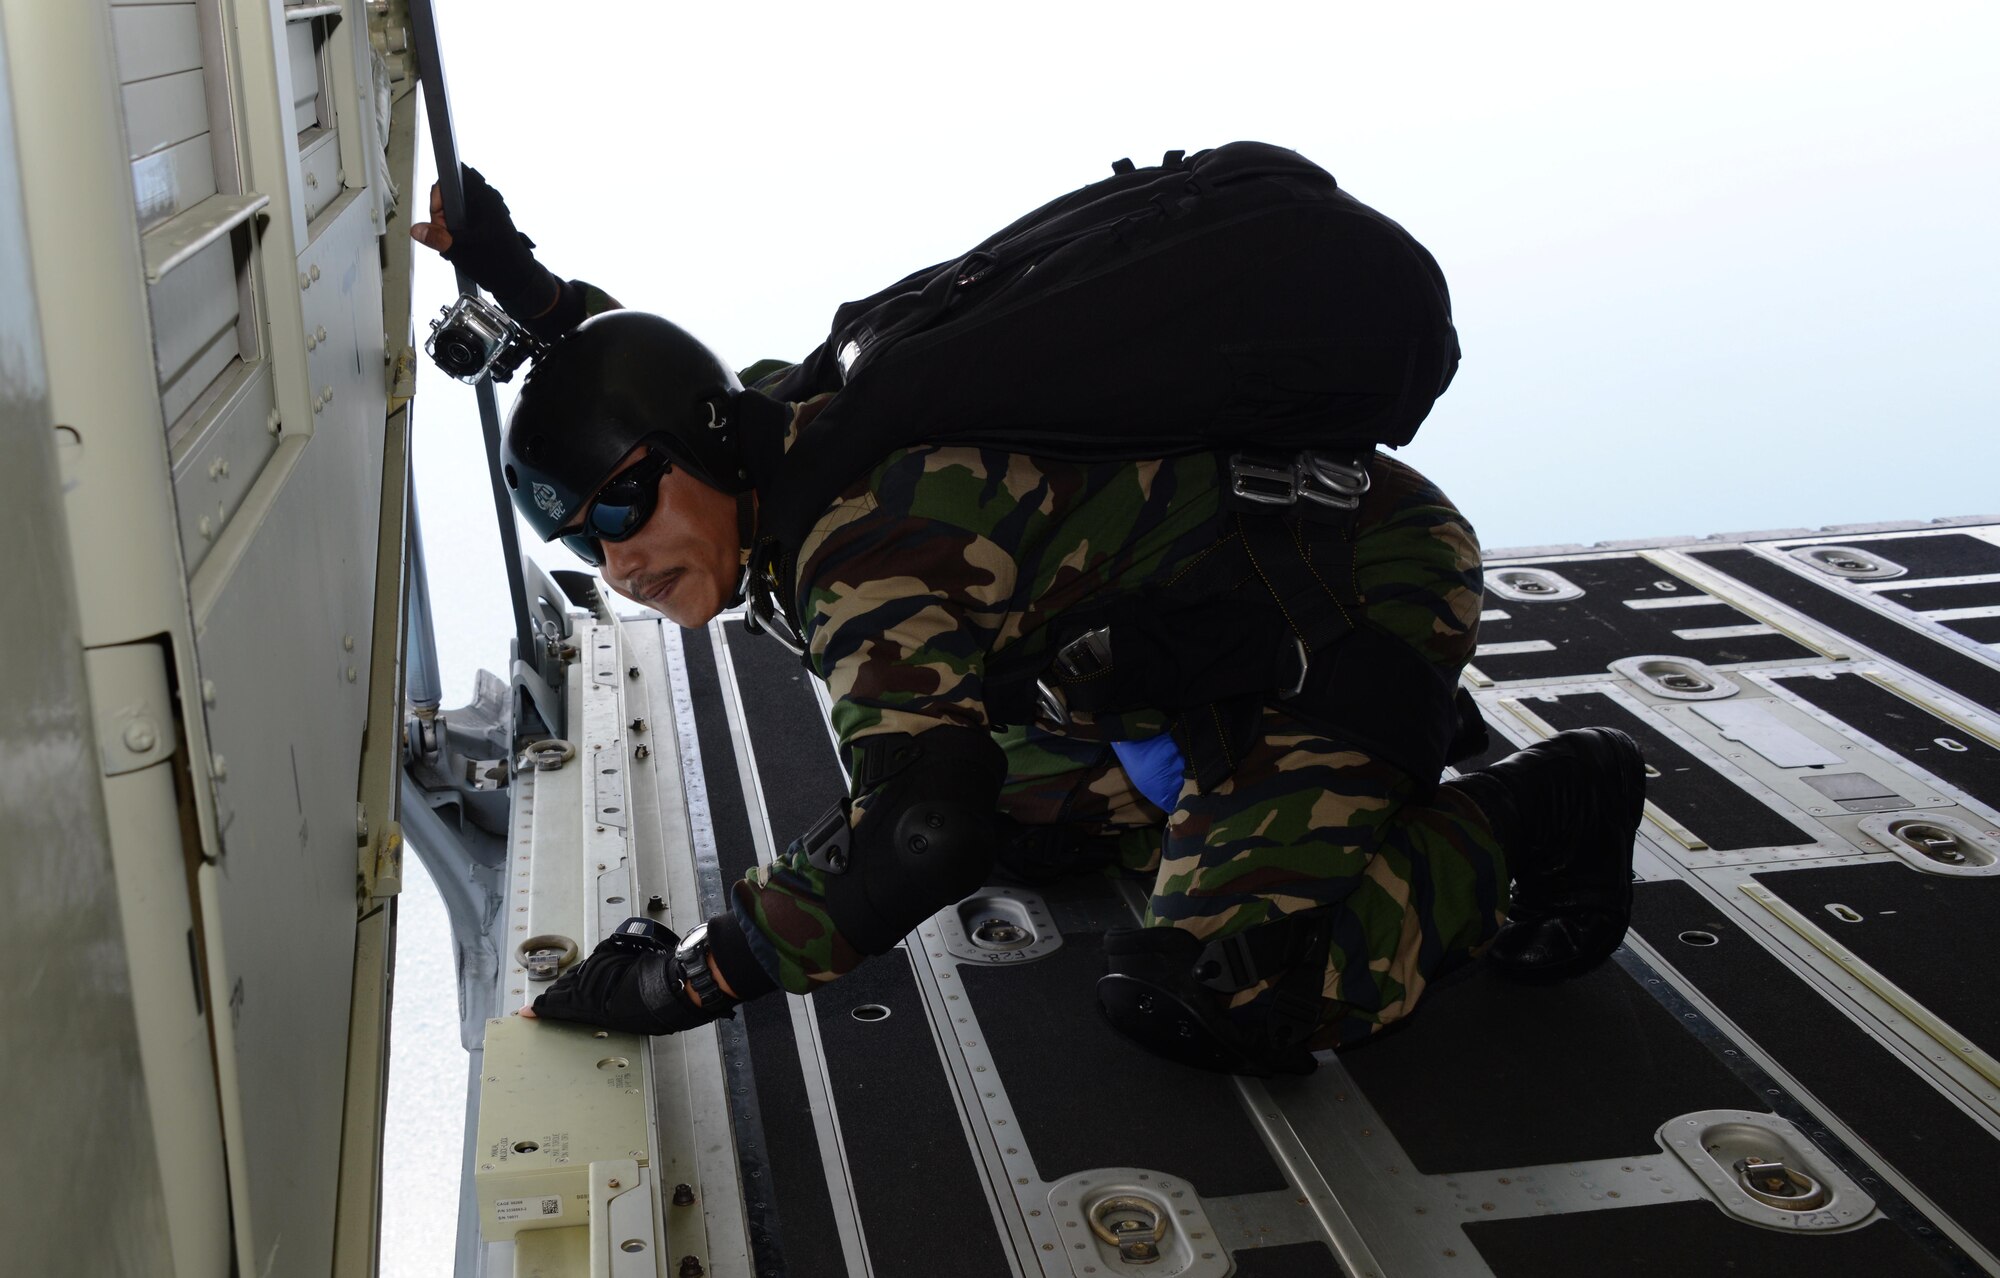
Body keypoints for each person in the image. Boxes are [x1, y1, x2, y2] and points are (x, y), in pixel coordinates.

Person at [412, 161, 1646, 1076]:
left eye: (623, 504)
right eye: (579, 535)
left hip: (1344, 589)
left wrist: (688, 979)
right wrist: (521, 283)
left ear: (697, 449)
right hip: (1183, 641)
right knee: (1025, 817)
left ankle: (1544, 808)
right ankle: (1270, 779)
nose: (616, 560)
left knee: (1220, 996)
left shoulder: (861, 545)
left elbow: (919, 834)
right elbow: (651, 374)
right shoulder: (787, 430)